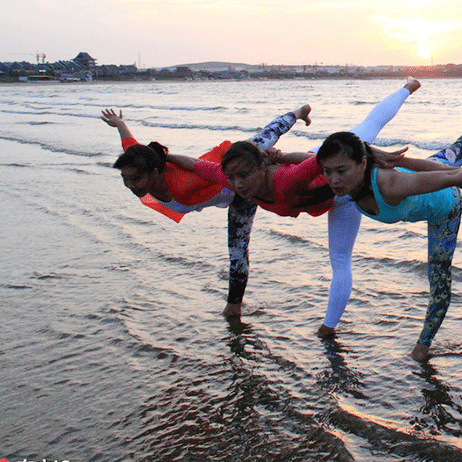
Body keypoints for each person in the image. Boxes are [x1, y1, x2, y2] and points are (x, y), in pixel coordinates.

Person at [166, 80, 421, 335]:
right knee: (341, 259)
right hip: (320, 182)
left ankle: (408, 89)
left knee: (369, 129)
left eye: (243, 175)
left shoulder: (287, 179)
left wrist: (369, 153)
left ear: (260, 167)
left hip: (341, 192)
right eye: (232, 177)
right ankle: (329, 329)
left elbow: (320, 159)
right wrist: (163, 156)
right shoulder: (234, 178)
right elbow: (193, 164)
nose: (238, 184)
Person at [315, 124, 462, 361]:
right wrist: (280, 156)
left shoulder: (390, 183)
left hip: (445, 206)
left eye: (342, 171)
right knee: (457, 149)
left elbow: (453, 177)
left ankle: (422, 346)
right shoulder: (347, 183)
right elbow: (303, 162)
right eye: (328, 171)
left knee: (439, 277)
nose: (333, 179)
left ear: (363, 163)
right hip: (424, 175)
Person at [101, 105, 311, 317]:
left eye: (135, 179)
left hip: (240, 185)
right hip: (222, 179)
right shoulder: (138, 164)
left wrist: (259, 163)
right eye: (125, 179)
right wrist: (120, 124)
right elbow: (130, 145)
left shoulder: (183, 184)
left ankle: (298, 113)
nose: (130, 185)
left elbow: (197, 165)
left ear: (154, 172)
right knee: (266, 140)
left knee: (268, 136)